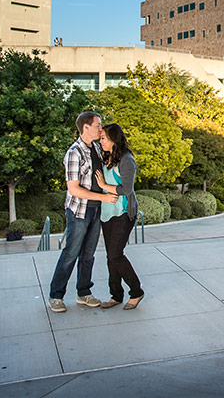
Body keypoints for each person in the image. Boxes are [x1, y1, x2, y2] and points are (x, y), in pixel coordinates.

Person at [48, 111, 118, 313]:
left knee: (88, 255)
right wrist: (103, 197)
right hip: (79, 211)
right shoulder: (74, 153)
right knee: (71, 253)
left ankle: (83, 293)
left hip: (96, 211)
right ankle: (56, 296)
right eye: (97, 125)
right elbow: (73, 189)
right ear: (85, 127)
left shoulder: (96, 148)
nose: (100, 128)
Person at [94, 123, 146, 309]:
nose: (100, 142)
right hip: (107, 213)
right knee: (111, 256)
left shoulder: (127, 160)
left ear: (114, 140)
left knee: (116, 255)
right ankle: (116, 294)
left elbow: (126, 189)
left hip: (123, 213)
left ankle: (136, 291)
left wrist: (104, 186)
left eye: (103, 138)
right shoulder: (106, 157)